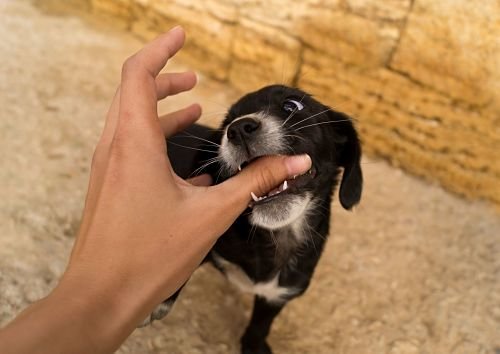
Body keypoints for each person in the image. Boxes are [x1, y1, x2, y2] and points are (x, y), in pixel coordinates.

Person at [0, 27, 311, 354]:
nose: (241, 129)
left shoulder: (299, 273)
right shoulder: (219, 205)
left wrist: (85, 298)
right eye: (231, 126)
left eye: (291, 106)